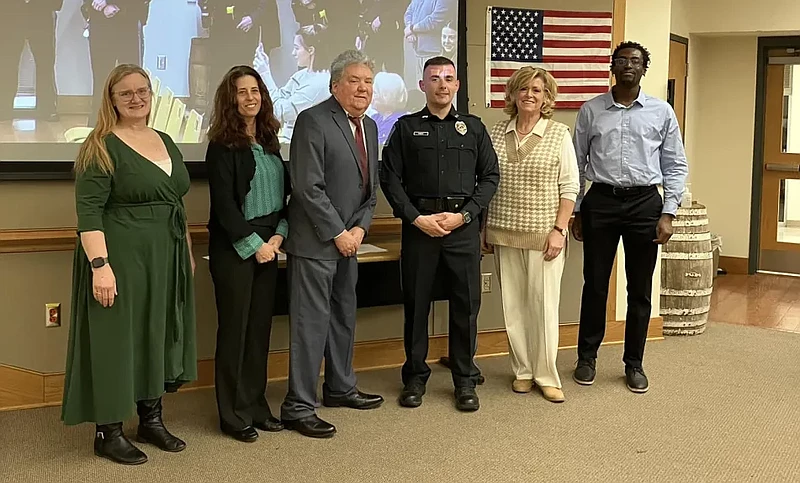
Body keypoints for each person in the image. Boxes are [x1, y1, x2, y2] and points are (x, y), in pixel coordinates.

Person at [61, 64, 197, 465]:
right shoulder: (99, 145)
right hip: (119, 256)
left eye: (143, 91)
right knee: (116, 339)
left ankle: (151, 419)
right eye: (126, 93)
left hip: (165, 253)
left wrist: (184, 251)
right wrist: (100, 265)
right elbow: (88, 212)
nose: (136, 99)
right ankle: (109, 431)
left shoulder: (166, 140)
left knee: (154, 332)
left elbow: (177, 203)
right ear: (112, 100)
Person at [380, 56, 499, 411]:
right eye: (434, 79)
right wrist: (416, 218)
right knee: (416, 306)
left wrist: (465, 216)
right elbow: (390, 179)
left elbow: (490, 177)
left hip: (461, 229)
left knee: (466, 306)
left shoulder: (474, 129)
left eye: (448, 78)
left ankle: (465, 380)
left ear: (457, 86)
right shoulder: (405, 128)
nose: (442, 85)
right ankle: (415, 378)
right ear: (423, 85)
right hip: (421, 229)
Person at [571, 41, 688, 393]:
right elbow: (575, 163)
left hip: (644, 206)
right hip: (601, 202)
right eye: (621, 60)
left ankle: (634, 363)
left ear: (643, 69)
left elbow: (675, 165)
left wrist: (668, 213)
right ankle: (587, 357)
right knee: (594, 283)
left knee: (639, 289)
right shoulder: (591, 110)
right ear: (612, 66)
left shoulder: (661, 112)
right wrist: (577, 209)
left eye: (635, 61)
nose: (627, 66)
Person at [280, 49, 383, 438]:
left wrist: (359, 231)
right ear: (335, 85)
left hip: (349, 243)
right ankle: (299, 405)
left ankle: (339, 388)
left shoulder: (370, 128)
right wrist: (338, 233)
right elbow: (307, 186)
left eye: (368, 82)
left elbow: (369, 191)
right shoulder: (312, 120)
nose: (362, 88)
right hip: (316, 244)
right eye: (354, 81)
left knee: (343, 317)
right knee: (310, 324)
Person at [484, 67, 578, 403]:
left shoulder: (558, 134)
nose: (529, 95)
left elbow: (570, 187)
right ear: (512, 94)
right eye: (523, 89)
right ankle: (523, 371)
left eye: (537, 90)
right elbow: (485, 183)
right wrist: (485, 229)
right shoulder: (496, 132)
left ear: (547, 98)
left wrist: (559, 230)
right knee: (514, 307)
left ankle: (546, 375)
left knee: (543, 307)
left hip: (544, 237)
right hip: (504, 232)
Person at [205, 65, 288, 443]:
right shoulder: (222, 146)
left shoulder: (271, 142)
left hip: (270, 247)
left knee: (259, 332)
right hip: (235, 249)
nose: (250, 97)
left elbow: (286, 201)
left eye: (255, 90)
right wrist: (255, 247)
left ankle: (256, 405)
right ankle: (232, 413)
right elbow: (224, 207)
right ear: (230, 99)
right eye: (242, 92)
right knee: (235, 332)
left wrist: (277, 239)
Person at [254, 24, 333, 144]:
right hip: (288, 142)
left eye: (296, 48)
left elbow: (280, 112)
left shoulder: (320, 83)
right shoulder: (301, 75)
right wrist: (265, 69)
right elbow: (280, 96)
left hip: (300, 145)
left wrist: (265, 73)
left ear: (311, 50)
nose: (293, 53)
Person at [83, 0, 152, 126]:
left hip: (129, 20)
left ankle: (133, 125)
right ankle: (99, 127)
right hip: (99, 21)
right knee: (101, 79)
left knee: (131, 78)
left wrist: (113, 4)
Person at [203, 0, 277, 106]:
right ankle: (216, 112)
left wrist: (253, 18)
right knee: (219, 72)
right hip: (221, 27)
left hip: (245, 29)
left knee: (243, 73)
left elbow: (266, 4)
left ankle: (243, 112)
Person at [0, 0, 64, 121]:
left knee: (45, 63)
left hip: (40, 13)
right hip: (9, 14)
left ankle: (47, 108)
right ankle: (3, 108)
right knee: (6, 63)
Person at [403, 0, 456, 87]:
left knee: (433, 88)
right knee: (420, 89)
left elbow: (435, 20)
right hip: (418, 52)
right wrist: (410, 30)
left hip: (433, 53)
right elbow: (408, 13)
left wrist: (412, 29)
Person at [366, 71, 407, 145]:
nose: (372, 96)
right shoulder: (374, 118)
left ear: (388, 95)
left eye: (375, 93)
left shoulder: (403, 121)